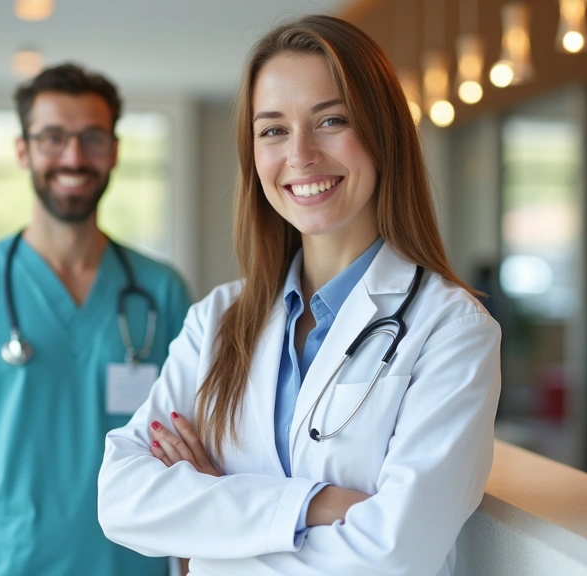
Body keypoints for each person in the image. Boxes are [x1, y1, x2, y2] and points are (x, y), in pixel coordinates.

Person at [98, 16, 501, 576]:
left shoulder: (452, 329)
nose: (301, 154)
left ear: (383, 135)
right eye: (273, 130)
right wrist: (317, 504)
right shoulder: (216, 319)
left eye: (331, 120)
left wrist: (214, 515)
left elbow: (392, 556)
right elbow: (121, 499)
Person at [0, 63, 192, 576]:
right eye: (53, 137)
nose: (73, 156)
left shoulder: (162, 291)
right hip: (1, 562)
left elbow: (188, 454)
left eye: (92, 138)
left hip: (128, 565)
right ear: (22, 150)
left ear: (115, 150)